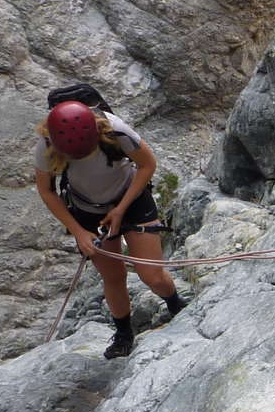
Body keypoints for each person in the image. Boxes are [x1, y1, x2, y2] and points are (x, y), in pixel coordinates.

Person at [33, 84, 185, 359]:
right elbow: (46, 190)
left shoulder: (115, 129)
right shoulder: (47, 144)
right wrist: (79, 232)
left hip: (132, 198)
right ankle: (124, 334)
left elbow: (147, 164)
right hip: (87, 211)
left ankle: (176, 305)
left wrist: (121, 209)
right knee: (113, 277)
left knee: (151, 275)